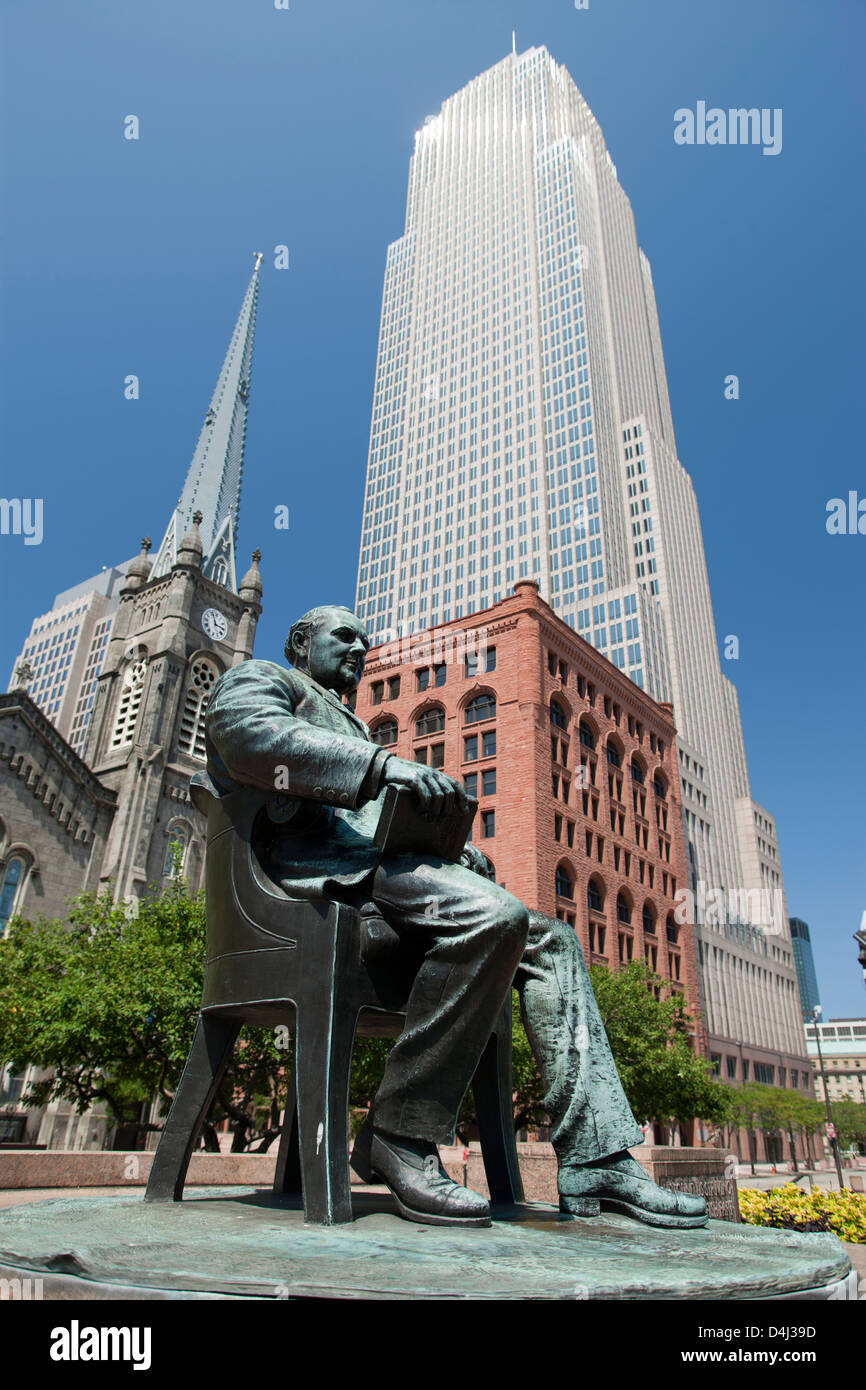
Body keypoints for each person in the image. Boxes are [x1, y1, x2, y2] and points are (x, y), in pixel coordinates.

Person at [204, 604, 707, 1231]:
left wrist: (445, 842)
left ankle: (595, 1158)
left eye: (366, 638)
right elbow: (249, 738)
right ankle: (398, 1136)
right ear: (301, 643)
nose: (359, 647)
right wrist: (385, 765)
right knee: (495, 915)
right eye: (344, 636)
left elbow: (371, 819)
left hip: (377, 880)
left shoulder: (352, 723)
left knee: (550, 941)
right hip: (313, 890)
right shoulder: (261, 681)